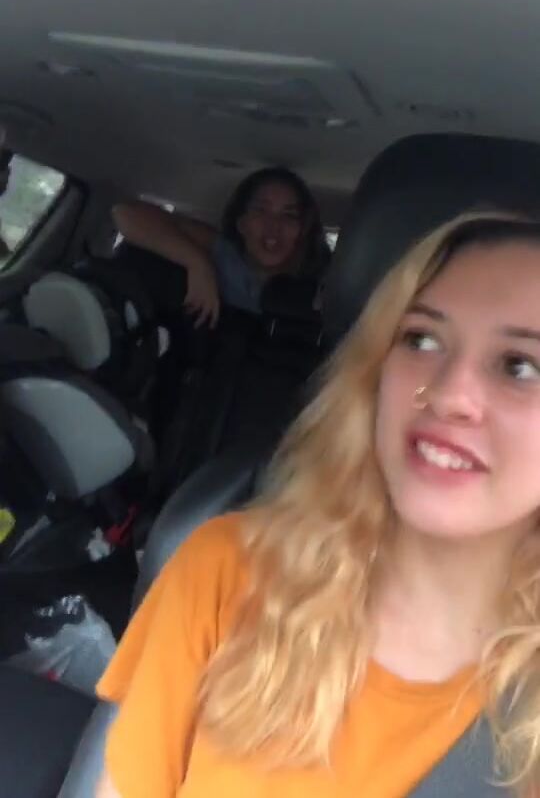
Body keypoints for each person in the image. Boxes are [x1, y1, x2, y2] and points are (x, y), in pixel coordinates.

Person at [96, 209, 540, 798]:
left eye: (521, 366)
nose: (450, 394)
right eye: (422, 339)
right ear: (375, 369)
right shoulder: (229, 570)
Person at [113, 167, 330, 327]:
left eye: (289, 215)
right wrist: (198, 264)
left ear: (302, 229)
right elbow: (125, 213)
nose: (274, 226)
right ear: (242, 224)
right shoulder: (224, 256)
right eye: (261, 210)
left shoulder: (321, 290)